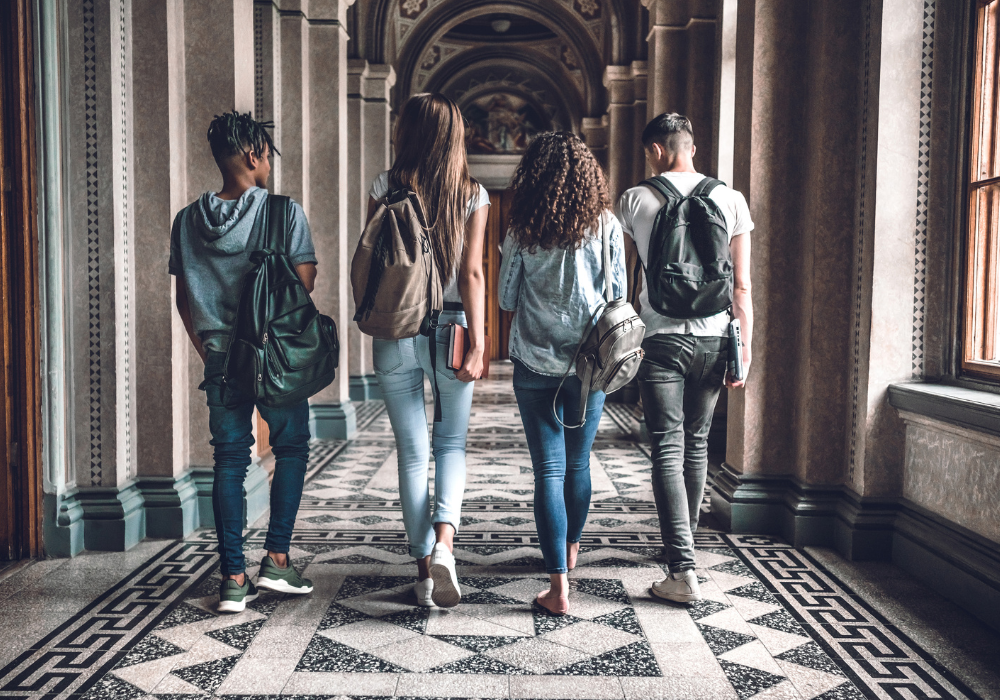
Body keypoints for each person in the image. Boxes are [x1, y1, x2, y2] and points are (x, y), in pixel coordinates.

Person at [171, 111, 318, 613]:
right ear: (254, 154)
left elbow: (184, 300)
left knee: (230, 461)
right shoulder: (283, 212)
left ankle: (233, 579)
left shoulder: (188, 220)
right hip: (276, 356)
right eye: (267, 156)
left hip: (221, 359)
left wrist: (209, 350)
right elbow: (304, 285)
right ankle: (276, 560)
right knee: (292, 446)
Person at [616, 113, 754, 603]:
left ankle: (682, 567)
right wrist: (745, 349)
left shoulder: (635, 199)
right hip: (716, 336)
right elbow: (741, 285)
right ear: (692, 147)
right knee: (696, 445)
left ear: (655, 150)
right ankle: (684, 550)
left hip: (662, 339)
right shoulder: (730, 199)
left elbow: (627, 273)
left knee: (667, 449)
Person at [364, 93, 489, 609]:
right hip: (453, 326)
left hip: (396, 328)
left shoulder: (383, 186)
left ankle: (422, 569)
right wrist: (481, 342)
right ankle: (445, 546)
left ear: (408, 132)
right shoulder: (472, 193)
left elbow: (372, 258)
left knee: (413, 453)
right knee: (451, 446)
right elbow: (473, 273)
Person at [499, 132, 627, 615]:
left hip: (534, 360)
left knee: (548, 470)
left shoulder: (521, 228)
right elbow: (616, 293)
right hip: (590, 363)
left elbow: (506, 299)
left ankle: (558, 586)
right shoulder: (605, 224)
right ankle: (571, 549)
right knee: (578, 463)